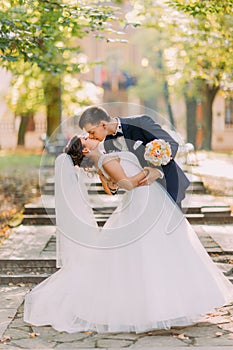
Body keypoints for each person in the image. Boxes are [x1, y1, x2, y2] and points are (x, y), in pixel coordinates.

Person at [24, 135, 233, 334]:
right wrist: (152, 171)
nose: (90, 136)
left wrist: (121, 178)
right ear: (86, 149)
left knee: (159, 249)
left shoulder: (102, 161)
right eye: (86, 138)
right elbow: (127, 184)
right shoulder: (105, 160)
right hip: (143, 202)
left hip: (147, 201)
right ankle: (158, 308)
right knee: (152, 251)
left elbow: (111, 188)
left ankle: (163, 305)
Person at [78, 106, 190, 207]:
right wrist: (114, 185)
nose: (91, 136)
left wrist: (157, 171)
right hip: (143, 197)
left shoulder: (141, 123)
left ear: (103, 124)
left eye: (92, 132)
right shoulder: (108, 144)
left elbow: (171, 144)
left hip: (167, 186)